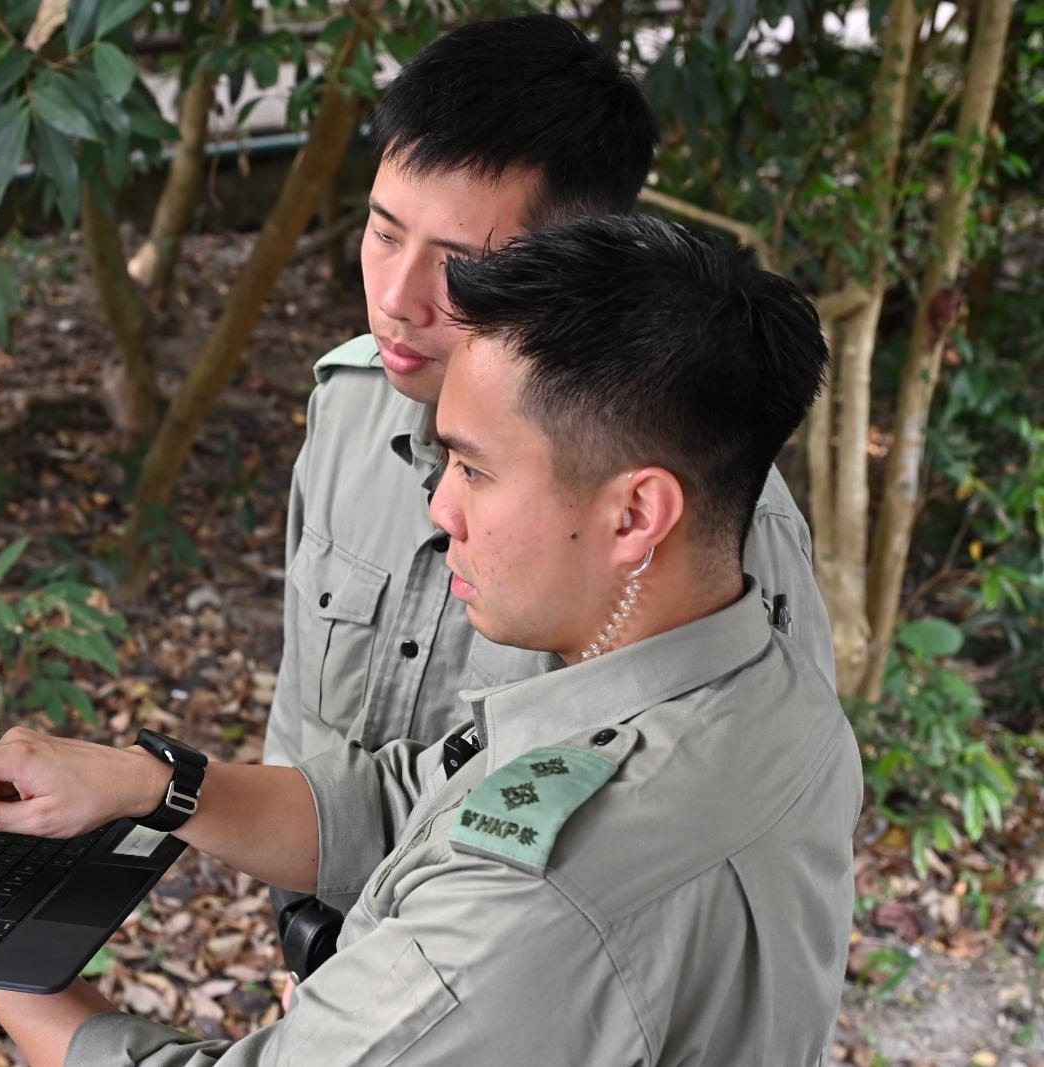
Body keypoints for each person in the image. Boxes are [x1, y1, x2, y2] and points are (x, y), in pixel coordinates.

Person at [0, 214, 861, 1065]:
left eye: (474, 470)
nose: (441, 509)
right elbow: (413, 799)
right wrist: (152, 784)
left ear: (634, 514)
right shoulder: (769, 687)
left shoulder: (545, 895)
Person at [266, 14, 836, 781]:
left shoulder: (713, 520)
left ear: (573, 263)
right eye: (385, 233)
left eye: (460, 264)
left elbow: (767, 792)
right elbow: (297, 727)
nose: (397, 300)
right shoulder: (348, 404)